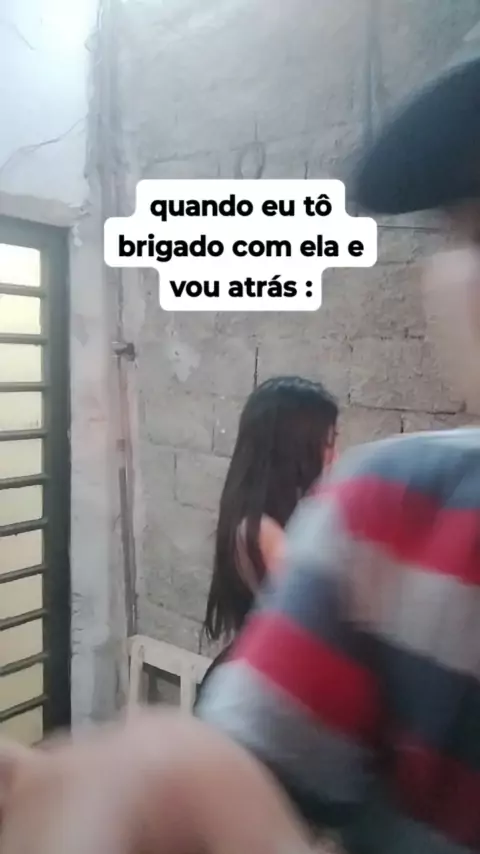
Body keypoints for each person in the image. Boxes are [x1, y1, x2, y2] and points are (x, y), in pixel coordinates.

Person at [4, 51, 480, 854]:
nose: (337, 449)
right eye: (471, 228)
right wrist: (168, 783)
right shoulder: (377, 513)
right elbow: (222, 781)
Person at [196, 376, 338, 705]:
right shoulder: (261, 531)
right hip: (262, 693)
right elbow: (320, 622)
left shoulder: (281, 516)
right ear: (294, 448)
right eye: (327, 442)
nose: (334, 455)